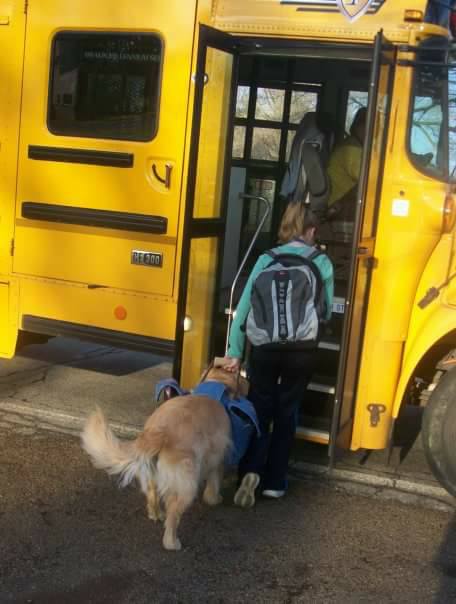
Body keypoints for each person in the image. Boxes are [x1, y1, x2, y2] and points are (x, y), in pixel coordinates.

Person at [223, 201, 334, 507]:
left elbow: (244, 308)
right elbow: (325, 310)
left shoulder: (265, 259)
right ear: (310, 230)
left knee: (259, 408)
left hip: (265, 349)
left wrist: (235, 351)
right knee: (287, 412)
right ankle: (275, 482)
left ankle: (249, 471)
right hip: (302, 351)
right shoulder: (321, 262)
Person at [326, 106, 367, 222]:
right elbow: (369, 181)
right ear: (362, 127)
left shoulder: (351, 145)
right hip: (338, 208)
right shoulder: (352, 149)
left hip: (340, 205)